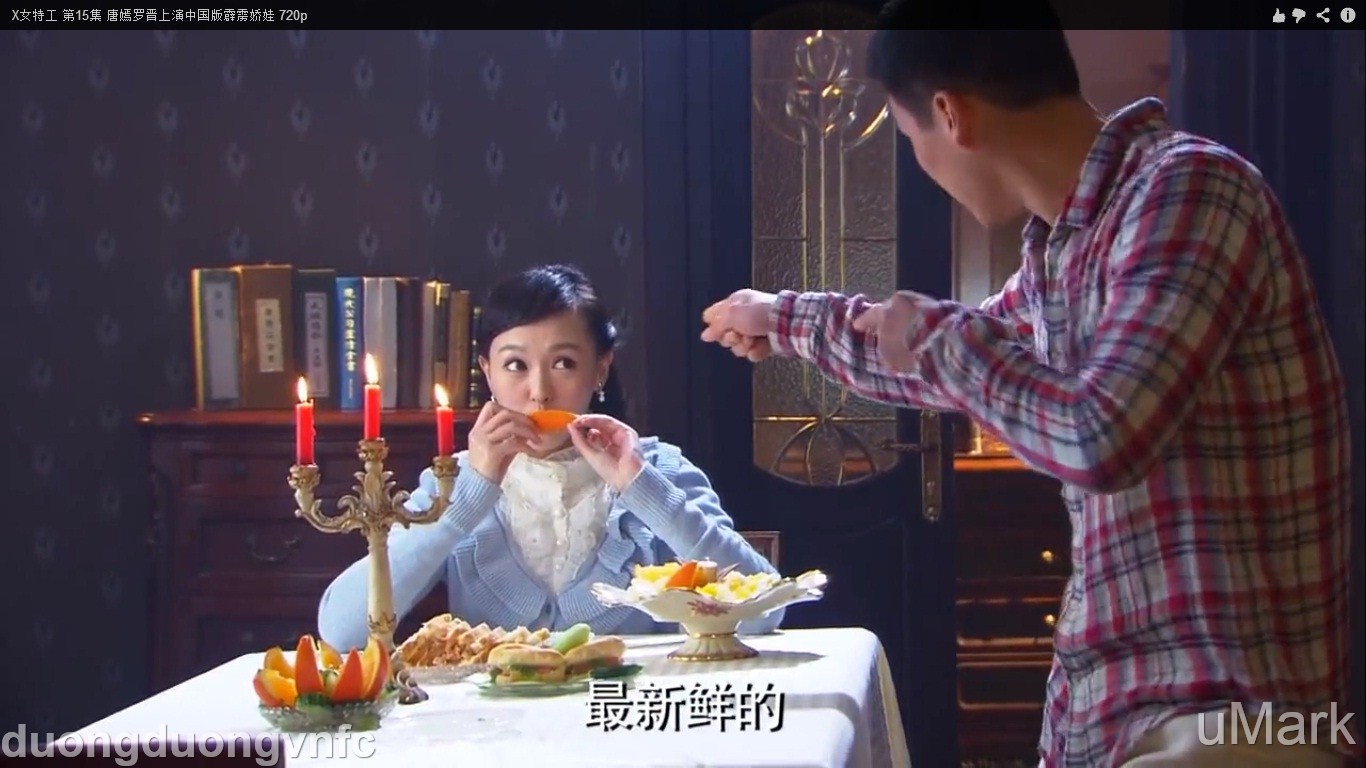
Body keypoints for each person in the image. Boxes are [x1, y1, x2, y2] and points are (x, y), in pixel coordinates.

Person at [699, 2, 1354, 767]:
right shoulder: (1062, 250)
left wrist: (938, 337)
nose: (921, 163)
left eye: (910, 137)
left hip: (1230, 723)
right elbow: (935, 357)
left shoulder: (1190, 191)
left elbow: (1100, 436)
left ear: (951, 115)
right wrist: (783, 319)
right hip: (1116, 719)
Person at [319, 264, 783, 651]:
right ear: (487, 373)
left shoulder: (658, 470)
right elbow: (341, 632)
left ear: (600, 369)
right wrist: (468, 499)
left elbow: (766, 612)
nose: (539, 392)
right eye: (515, 365)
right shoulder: (451, 482)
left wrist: (640, 488)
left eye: (563, 363)